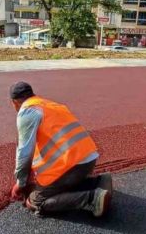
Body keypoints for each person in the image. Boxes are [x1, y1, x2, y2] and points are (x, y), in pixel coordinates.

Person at [8, 82, 112, 217]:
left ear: (13, 102)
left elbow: (24, 152)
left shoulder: (27, 111)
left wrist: (20, 183)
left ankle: (92, 198)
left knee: (36, 201)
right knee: (58, 185)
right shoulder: (49, 105)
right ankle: (98, 182)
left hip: (72, 166)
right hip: (89, 158)